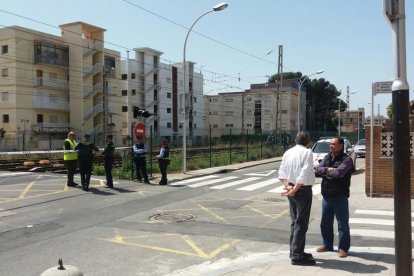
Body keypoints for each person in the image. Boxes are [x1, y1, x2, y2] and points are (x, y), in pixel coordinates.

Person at [278, 131, 316, 266]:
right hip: (302, 191)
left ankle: (294, 250)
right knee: (301, 223)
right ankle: (297, 256)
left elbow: (282, 171)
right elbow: (305, 172)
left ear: (295, 140)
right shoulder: (307, 152)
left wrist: (288, 186)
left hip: (292, 190)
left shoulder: (288, 152)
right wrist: (296, 188)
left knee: (295, 222)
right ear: (308, 142)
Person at [315, 136, 353, 258]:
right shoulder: (327, 157)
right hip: (326, 196)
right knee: (325, 223)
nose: (330, 146)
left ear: (341, 146)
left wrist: (327, 172)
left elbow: (339, 173)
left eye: (333, 144)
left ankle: (343, 248)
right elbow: (317, 170)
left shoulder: (346, 159)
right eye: (330, 144)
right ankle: (327, 245)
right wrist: (329, 169)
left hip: (340, 196)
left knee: (342, 224)